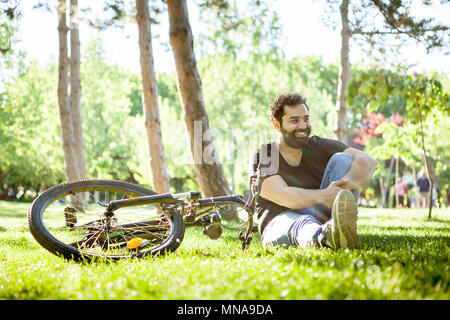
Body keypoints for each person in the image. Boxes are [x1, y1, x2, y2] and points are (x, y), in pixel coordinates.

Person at [248, 93, 377, 250]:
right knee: (302, 224)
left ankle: (340, 230)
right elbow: (281, 194)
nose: (303, 125)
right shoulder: (266, 154)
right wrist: (325, 196)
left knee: (345, 160)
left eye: (306, 119)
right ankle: (324, 238)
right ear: (277, 125)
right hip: (280, 221)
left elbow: (368, 161)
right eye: (294, 120)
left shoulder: (317, 145)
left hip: (321, 215)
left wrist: (343, 186)